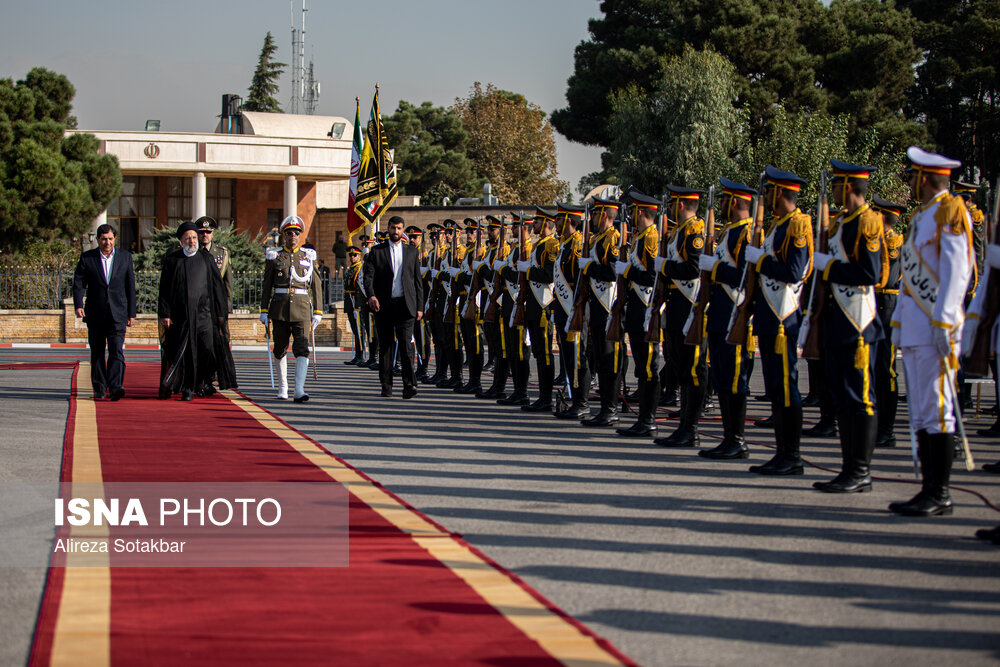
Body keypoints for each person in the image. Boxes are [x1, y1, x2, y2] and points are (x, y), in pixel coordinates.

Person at [889, 146, 973, 516]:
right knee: (922, 411)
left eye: (911, 177)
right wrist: (899, 323)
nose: (909, 182)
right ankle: (928, 489)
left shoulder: (950, 212)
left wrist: (944, 320)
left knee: (939, 410)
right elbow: (909, 279)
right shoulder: (922, 217)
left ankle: (940, 493)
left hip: (937, 328)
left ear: (924, 179)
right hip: (916, 329)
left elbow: (958, 273)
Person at [810, 159, 885, 494]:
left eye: (837, 185)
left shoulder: (868, 222)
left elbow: (868, 274)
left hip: (858, 323)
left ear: (850, 187)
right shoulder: (842, 223)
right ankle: (848, 467)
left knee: (860, 398)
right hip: (837, 321)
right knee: (842, 397)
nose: (835, 192)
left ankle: (861, 470)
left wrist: (830, 267)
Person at [744, 166, 814, 476]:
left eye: (770, 191)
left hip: (784, 318)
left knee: (787, 387)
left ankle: (792, 455)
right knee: (776, 386)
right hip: (770, 317)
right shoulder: (778, 225)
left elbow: (793, 271)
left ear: (780, 193)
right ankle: (782, 452)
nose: (766, 197)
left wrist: (761, 260)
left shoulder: (797, 226)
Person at [696, 178, 758, 458]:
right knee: (722, 378)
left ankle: (737, 439)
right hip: (720, 314)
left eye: (723, 199)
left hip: (734, 314)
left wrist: (716, 268)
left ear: (734, 202)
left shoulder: (747, 234)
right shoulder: (729, 232)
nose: (720, 204)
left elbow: (745, 277)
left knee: (734, 379)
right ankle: (728, 437)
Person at [652, 186, 708, 447]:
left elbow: (694, 269)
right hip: (676, 304)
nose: (671, 210)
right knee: (680, 367)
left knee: (692, 369)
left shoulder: (695, 231)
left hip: (689, 306)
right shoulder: (678, 232)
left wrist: (665, 266)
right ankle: (685, 423)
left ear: (681, 205)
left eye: (673, 204)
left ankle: (690, 428)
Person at [158, 221, 236, 401]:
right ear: (181, 241)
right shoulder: (173, 260)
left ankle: (201, 381)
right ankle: (187, 387)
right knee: (186, 353)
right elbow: (164, 289)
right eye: (188, 238)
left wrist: (221, 313)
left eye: (194, 237)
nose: (192, 241)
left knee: (207, 349)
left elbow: (218, 287)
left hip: (204, 316)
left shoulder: (206, 259)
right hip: (181, 317)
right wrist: (165, 313)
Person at [260, 215, 323, 402]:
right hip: (279, 308)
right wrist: (264, 310)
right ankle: (283, 387)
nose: (293, 235)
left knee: (302, 348)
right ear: (283, 235)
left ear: (300, 235)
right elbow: (266, 285)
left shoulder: (308, 257)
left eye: (296, 232)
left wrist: (318, 311)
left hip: (302, 309)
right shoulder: (275, 256)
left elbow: (316, 285)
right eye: (289, 233)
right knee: (280, 348)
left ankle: (299, 389)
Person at [614, 192, 662, 437]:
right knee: (642, 367)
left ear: (641, 212)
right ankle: (644, 418)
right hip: (636, 309)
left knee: (648, 366)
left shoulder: (652, 238)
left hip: (646, 310)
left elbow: (652, 277)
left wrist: (629, 272)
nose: (631, 214)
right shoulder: (641, 237)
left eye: (633, 211)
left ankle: (648, 419)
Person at [72, 223, 137, 400]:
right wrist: (78, 304)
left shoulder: (125, 257)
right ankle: (100, 388)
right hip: (95, 313)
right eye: (103, 239)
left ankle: (116, 386)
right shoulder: (88, 258)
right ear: (98, 241)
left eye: (110, 239)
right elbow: (78, 283)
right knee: (98, 352)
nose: (107, 242)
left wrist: (132, 313)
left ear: (115, 239)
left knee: (117, 350)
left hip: (118, 313)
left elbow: (130, 286)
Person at [363, 215, 424, 399]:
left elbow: (417, 282)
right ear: (388, 229)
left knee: (406, 346)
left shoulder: (412, 252)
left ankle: (409, 385)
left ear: (402, 230)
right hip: (384, 306)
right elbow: (368, 277)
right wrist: (371, 295)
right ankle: (386, 385)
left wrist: (420, 307)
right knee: (387, 347)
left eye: (398, 228)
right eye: (392, 228)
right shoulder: (377, 251)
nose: (395, 231)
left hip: (406, 306)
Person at [871, 195, 906, 448]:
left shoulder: (892, 241)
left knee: (886, 368)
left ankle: (887, 429)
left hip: (887, 306)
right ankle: (877, 425)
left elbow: (884, 276)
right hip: (876, 303)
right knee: (873, 368)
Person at [195, 215, 232, 311]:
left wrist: (227, 307)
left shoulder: (222, 253)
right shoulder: (193, 253)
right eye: (202, 232)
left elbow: (228, 283)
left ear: (213, 233)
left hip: (216, 304)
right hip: (196, 303)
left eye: (208, 232)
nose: (205, 235)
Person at [343, 246, 366, 365]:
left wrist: (358, 306)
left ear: (359, 256)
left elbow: (359, 288)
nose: (352, 257)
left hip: (355, 301)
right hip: (349, 301)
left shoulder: (359, 268)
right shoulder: (350, 268)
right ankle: (357, 355)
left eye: (355, 255)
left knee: (359, 330)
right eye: (350, 255)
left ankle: (360, 355)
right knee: (355, 330)